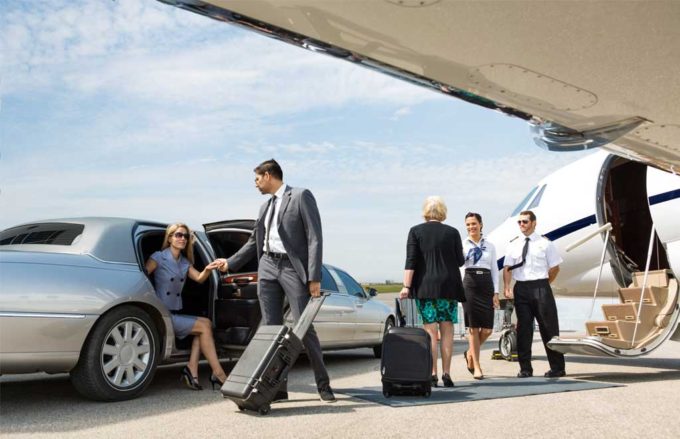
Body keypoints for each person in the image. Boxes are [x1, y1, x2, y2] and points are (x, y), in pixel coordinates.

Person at [216, 159, 335, 403]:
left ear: (269, 175)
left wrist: (314, 277)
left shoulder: (301, 196)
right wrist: (229, 263)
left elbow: (315, 237)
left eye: (257, 179)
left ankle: (324, 386)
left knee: (304, 328)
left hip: (292, 268)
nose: (256, 184)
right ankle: (277, 388)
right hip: (267, 266)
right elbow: (253, 242)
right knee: (270, 330)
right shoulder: (264, 207)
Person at [145, 223, 228, 390]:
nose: (182, 238)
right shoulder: (158, 257)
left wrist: (207, 268)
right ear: (169, 238)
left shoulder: (184, 262)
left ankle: (192, 369)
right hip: (163, 315)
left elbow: (198, 278)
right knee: (204, 326)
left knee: (205, 325)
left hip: (174, 313)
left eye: (185, 236)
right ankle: (219, 374)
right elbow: (142, 278)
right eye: (178, 235)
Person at [399, 196, 465, 388]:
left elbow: (410, 261)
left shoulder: (415, 231)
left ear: (425, 211)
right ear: (443, 212)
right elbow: (460, 261)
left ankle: (432, 373)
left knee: (430, 332)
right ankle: (447, 373)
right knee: (447, 330)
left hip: (425, 288)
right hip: (448, 287)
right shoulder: (453, 232)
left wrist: (406, 286)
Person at [502, 210, 566, 378]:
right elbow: (507, 268)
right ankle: (525, 368)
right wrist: (507, 286)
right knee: (523, 329)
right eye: (519, 222)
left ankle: (557, 367)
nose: (522, 225)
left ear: (534, 223)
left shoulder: (545, 244)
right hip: (521, 288)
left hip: (541, 287)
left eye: (525, 222)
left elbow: (555, 268)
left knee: (549, 328)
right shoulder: (513, 244)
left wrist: (544, 284)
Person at [461, 212, 500, 380]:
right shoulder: (462, 245)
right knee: (473, 328)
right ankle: (476, 365)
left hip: (486, 284)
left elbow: (495, 270)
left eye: (474, 223)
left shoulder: (490, 246)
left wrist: (496, 292)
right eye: (468, 224)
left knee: (488, 330)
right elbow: (459, 267)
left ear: (481, 224)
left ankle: (470, 352)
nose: (471, 227)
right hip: (469, 283)